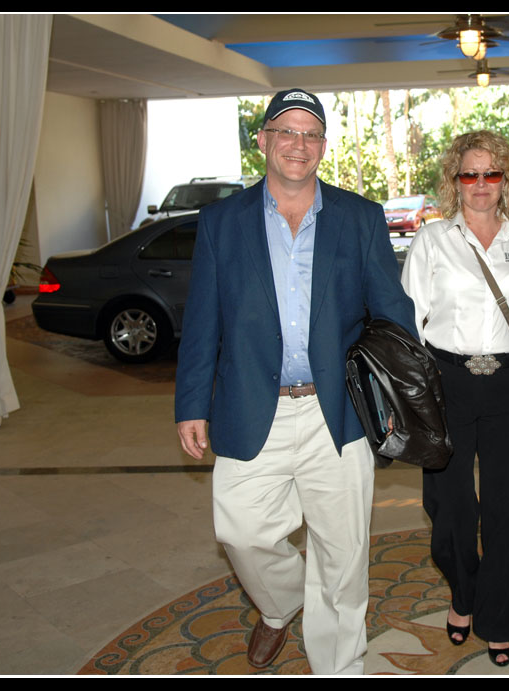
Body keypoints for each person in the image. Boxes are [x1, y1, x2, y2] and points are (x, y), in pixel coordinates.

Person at [174, 88, 416, 675]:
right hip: (250, 405)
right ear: (262, 140)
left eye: (310, 134)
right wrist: (191, 404)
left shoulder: (358, 217)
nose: (298, 144)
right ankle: (281, 604)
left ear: (323, 147)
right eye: (286, 131)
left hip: (338, 412)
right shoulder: (221, 221)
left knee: (344, 555)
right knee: (241, 531)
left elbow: (392, 311)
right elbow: (203, 319)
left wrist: (395, 391)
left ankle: (341, 664)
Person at [400, 131, 509, 667]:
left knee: (504, 511)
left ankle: (498, 618)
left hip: (506, 385)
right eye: (470, 174)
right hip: (446, 382)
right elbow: (409, 324)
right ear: (455, 182)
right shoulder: (431, 240)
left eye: (492, 173)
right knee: (449, 509)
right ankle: (463, 592)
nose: (481, 185)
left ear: (507, 180)